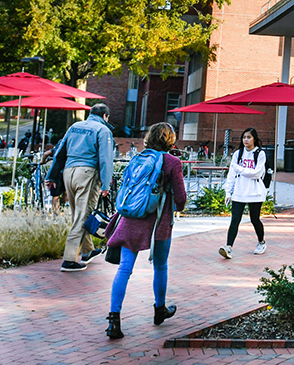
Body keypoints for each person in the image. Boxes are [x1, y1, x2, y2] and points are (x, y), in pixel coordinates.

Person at [104, 122, 189, 339]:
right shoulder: (172, 162)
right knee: (160, 266)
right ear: (170, 140)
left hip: (130, 218)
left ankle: (114, 320)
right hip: (158, 223)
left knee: (124, 269)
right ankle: (159, 310)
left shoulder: (138, 158)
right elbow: (180, 201)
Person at [48, 103, 117, 272]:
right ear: (105, 116)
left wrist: (51, 175)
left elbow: (60, 153)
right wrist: (106, 184)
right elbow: (106, 159)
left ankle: (88, 251)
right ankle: (69, 260)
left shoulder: (75, 127)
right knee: (82, 216)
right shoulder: (103, 130)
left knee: (78, 215)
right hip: (87, 173)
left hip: (68, 173)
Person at [220, 128, 269, 259]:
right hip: (239, 192)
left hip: (255, 192)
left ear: (254, 139)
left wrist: (239, 168)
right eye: (244, 137)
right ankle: (228, 247)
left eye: (248, 137)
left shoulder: (260, 154)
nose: (246, 140)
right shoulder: (238, 154)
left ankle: (261, 242)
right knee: (235, 219)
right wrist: (228, 192)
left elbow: (257, 173)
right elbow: (231, 174)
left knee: (254, 219)